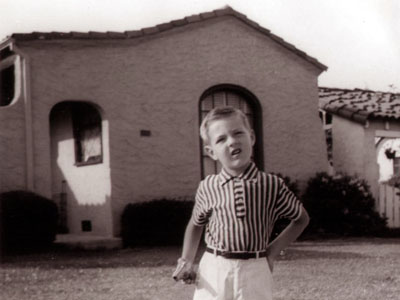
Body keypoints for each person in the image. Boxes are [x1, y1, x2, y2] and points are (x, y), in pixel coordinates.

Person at [172, 106, 309, 300]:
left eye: (238, 133)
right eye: (221, 139)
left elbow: (301, 219)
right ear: (211, 152)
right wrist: (186, 261)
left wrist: (271, 253)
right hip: (214, 268)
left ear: (251, 137)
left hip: (255, 268)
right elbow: (195, 224)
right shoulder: (208, 186)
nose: (232, 141)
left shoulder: (271, 184)